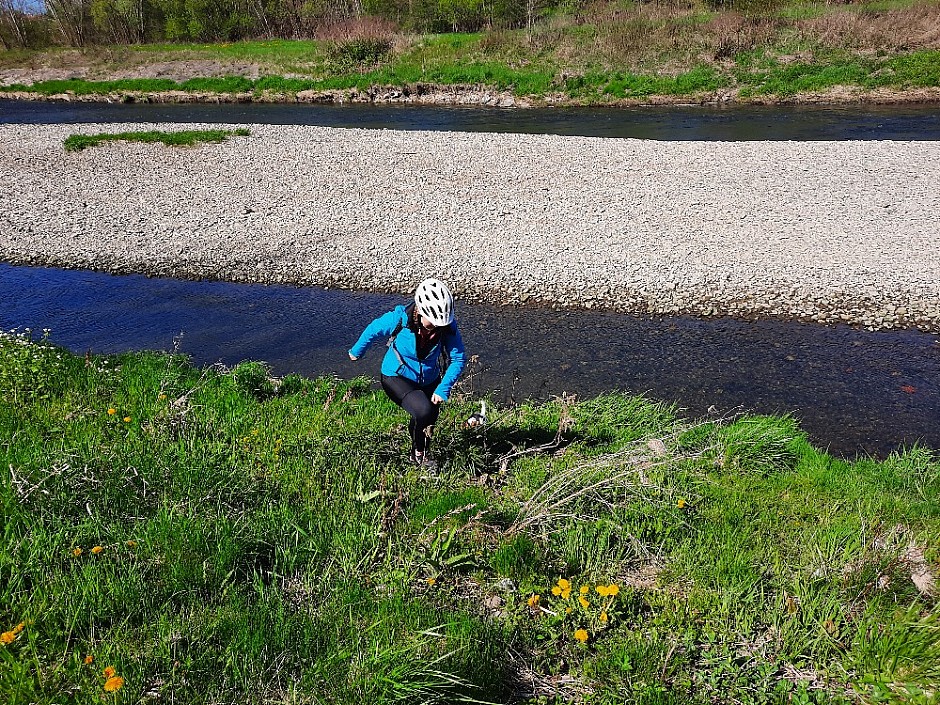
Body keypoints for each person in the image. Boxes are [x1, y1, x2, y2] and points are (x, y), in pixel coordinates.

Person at [348, 278, 466, 470]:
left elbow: (459, 358)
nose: (436, 327)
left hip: (429, 378)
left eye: (440, 324)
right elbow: (373, 329)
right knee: (423, 410)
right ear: (420, 311)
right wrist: (356, 352)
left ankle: (417, 452)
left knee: (429, 419)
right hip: (396, 375)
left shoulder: (447, 327)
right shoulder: (400, 319)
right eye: (432, 323)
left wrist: (444, 387)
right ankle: (420, 456)